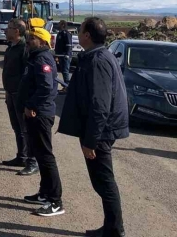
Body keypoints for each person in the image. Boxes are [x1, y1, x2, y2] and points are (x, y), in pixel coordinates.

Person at [59, 17, 129, 237]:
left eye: (79, 31)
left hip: (100, 132)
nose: (77, 34)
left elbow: (100, 105)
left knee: (104, 182)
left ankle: (115, 231)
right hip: (100, 129)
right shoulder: (99, 56)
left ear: (87, 35)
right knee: (101, 181)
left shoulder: (98, 60)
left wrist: (91, 141)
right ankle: (110, 227)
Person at [18, 21, 64, 217]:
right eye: (28, 39)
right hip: (35, 112)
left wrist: (31, 106)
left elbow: (45, 89)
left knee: (45, 157)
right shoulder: (36, 57)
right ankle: (44, 193)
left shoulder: (42, 60)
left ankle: (56, 201)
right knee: (39, 154)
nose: (28, 42)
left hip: (40, 114)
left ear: (43, 42)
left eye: (32, 39)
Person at [1, 19, 38, 176]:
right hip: (11, 93)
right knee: (17, 128)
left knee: (27, 129)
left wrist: (27, 98)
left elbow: (28, 75)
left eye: (9, 28)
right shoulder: (11, 47)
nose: (6, 30)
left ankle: (32, 161)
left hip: (20, 95)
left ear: (17, 31)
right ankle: (21, 156)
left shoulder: (24, 48)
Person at [55, 20, 73, 87]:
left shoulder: (66, 33)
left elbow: (69, 45)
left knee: (65, 71)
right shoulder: (59, 33)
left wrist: (67, 54)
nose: (58, 25)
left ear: (62, 25)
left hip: (65, 56)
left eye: (59, 24)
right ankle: (65, 86)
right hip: (60, 55)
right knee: (63, 71)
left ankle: (67, 86)